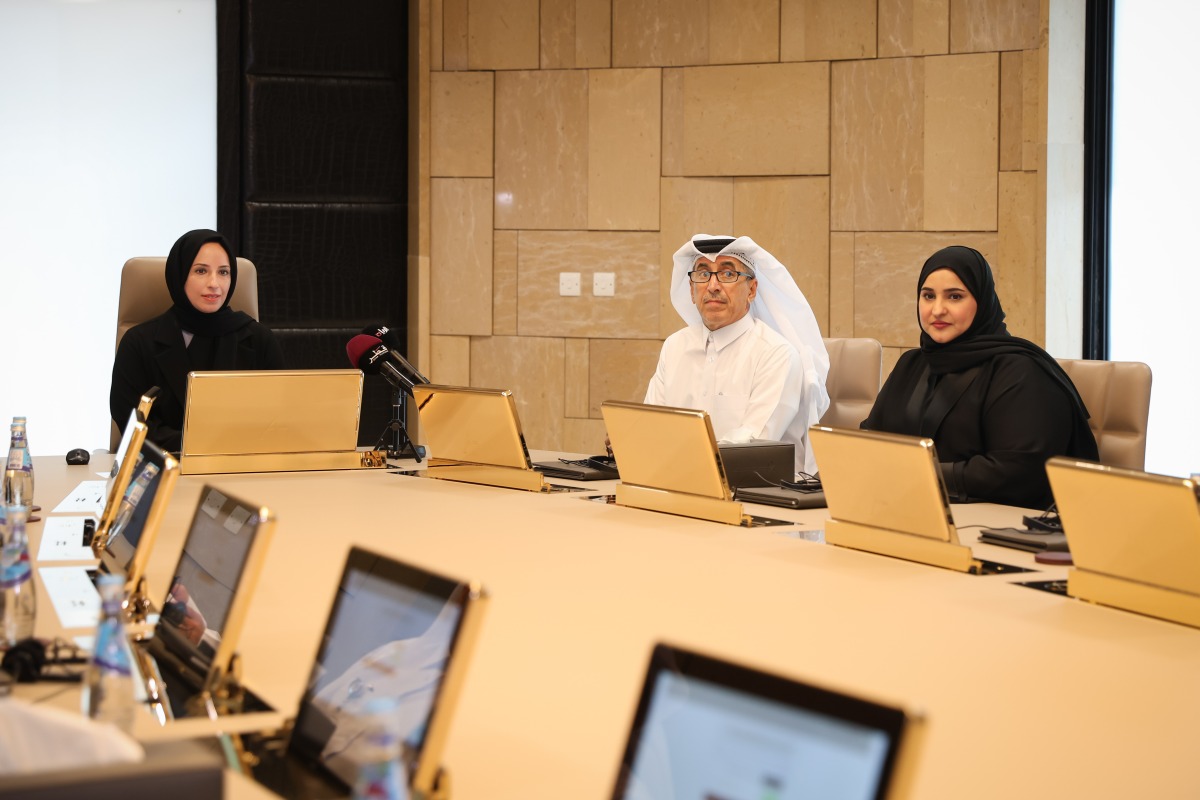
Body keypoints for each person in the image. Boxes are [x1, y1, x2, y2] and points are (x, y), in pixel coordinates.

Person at [861, 245, 1098, 509]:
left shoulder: (1020, 371)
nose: (937, 310)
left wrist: (913, 476)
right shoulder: (912, 364)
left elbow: (1017, 472)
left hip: (1003, 529)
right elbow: (871, 440)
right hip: (910, 512)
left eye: (954, 297)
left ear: (982, 301)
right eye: (928, 296)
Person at [644, 235, 829, 475]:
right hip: (682, 483)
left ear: (752, 289)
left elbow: (750, 448)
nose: (712, 286)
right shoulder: (674, 346)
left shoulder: (776, 354)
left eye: (728, 274)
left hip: (761, 495)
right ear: (691, 290)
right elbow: (651, 425)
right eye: (702, 274)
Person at [109, 229, 284, 453]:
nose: (214, 283)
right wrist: (201, 447)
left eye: (223, 272)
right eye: (201, 271)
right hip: (164, 467)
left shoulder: (259, 340)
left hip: (240, 468)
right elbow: (132, 423)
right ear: (179, 275)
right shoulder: (138, 343)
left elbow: (277, 419)